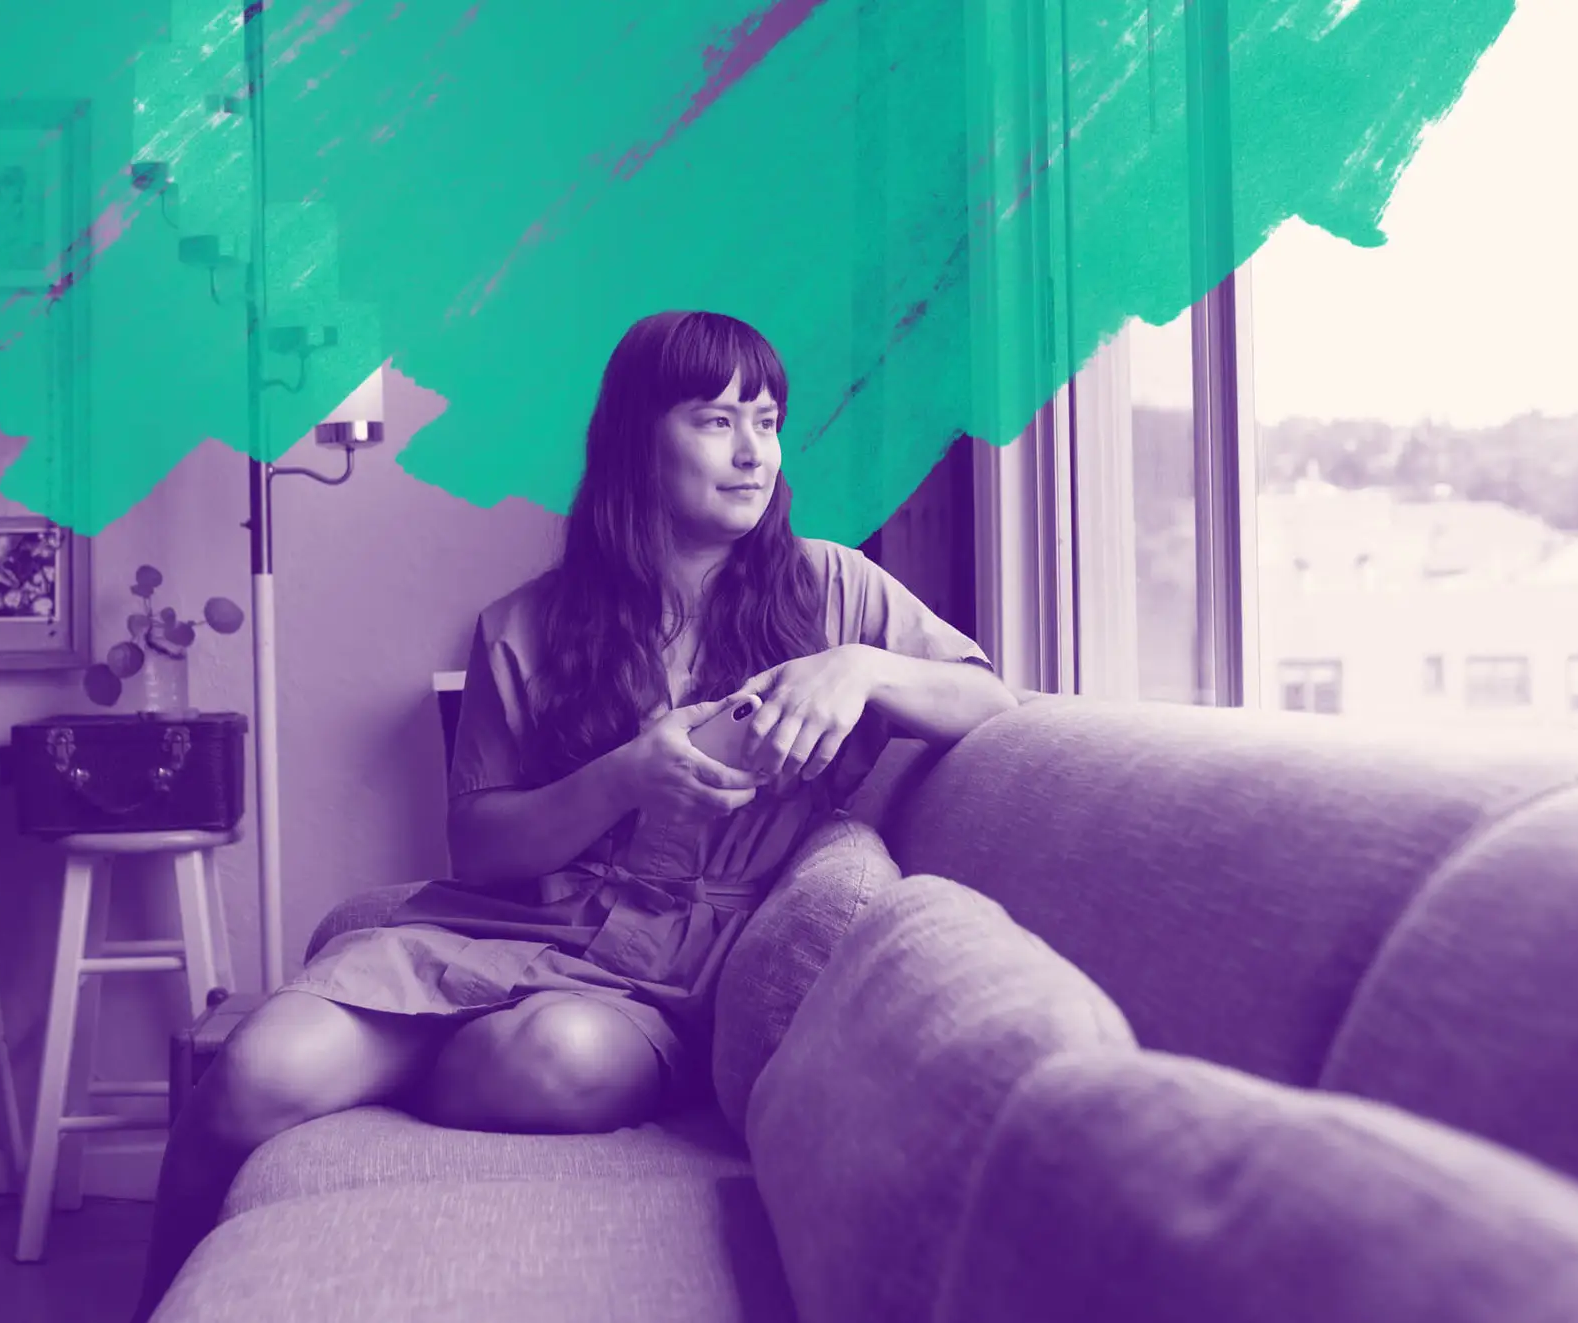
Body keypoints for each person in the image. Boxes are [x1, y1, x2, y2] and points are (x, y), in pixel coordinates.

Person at [129, 309, 1018, 1319]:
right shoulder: (525, 624)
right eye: (715, 421)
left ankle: (422, 1057)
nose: (751, 452)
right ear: (639, 438)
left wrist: (857, 669)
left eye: (765, 422)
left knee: (554, 1060)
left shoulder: (834, 592)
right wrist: (624, 777)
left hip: (666, 983)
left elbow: (997, 706)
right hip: (502, 934)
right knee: (249, 1072)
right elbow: (480, 847)